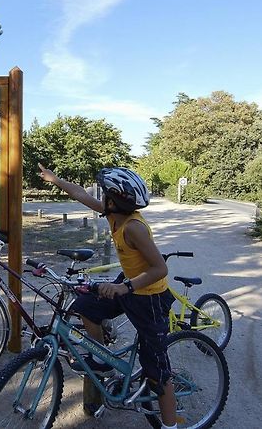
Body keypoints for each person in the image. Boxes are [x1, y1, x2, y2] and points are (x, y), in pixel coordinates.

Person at [38, 163, 178, 429]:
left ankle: (170, 425)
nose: (101, 198)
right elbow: (81, 194)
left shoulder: (133, 228)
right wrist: (55, 179)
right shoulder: (113, 214)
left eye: (105, 194)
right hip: (128, 284)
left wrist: (125, 287)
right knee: (85, 305)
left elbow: (160, 269)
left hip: (149, 298)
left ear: (115, 201)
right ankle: (102, 358)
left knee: (158, 374)